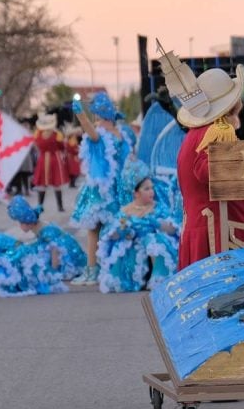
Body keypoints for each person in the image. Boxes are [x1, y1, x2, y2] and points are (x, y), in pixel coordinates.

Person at [164, 55, 244, 269]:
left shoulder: (195, 135)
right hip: (218, 234)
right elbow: (206, 172)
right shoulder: (218, 131)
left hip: (201, 227)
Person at [73, 91, 134, 281]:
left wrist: (80, 114)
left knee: (96, 229)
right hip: (114, 185)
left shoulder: (108, 132)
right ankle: (105, 266)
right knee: (109, 226)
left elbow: (90, 132)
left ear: (99, 114)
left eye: (96, 114)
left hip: (108, 188)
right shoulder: (121, 132)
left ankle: (97, 268)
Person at [97, 162, 180, 293]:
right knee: (124, 246)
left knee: (154, 240)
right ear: (136, 193)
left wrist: (157, 223)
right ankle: (132, 279)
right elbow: (111, 235)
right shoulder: (126, 210)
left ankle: (158, 278)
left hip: (152, 247)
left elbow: (173, 229)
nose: (151, 192)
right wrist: (124, 231)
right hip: (134, 248)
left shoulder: (158, 207)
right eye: (146, 189)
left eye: (152, 188)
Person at [6, 195, 87, 294]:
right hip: (65, 247)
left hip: (67, 253)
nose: (20, 226)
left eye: (21, 223)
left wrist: (54, 271)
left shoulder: (45, 231)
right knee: (34, 248)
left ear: (28, 222)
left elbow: (55, 249)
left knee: (35, 252)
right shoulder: (38, 227)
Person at [31, 112, 69, 213]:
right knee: (57, 184)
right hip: (54, 159)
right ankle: (60, 207)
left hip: (43, 159)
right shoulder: (57, 134)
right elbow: (62, 147)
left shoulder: (38, 134)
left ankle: (40, 206)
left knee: (42, 185)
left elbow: (36, 145)